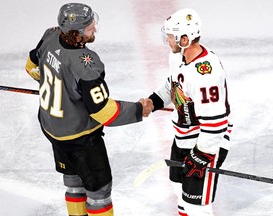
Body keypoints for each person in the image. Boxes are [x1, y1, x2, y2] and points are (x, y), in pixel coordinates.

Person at [25, 3, 153, 216]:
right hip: (80, 138)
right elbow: (104, 112)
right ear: (75, 32)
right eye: (89, 26)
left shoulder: (50, 35)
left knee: (74, 182)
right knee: (99, 192)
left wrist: (55, 82)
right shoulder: (85, 64)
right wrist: (140, 109)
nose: (94, 29)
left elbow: (31, 67)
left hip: (52, 129)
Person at [147, 8, 233, 216]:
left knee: (197, 207)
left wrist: (201, 156)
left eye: (170, 36)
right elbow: (173, 83)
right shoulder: (178, 57)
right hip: (183, 137)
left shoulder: (205, 73)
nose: (167, 40)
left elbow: (216, 124)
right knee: (179, 190)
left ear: (184, 39)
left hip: (206, 143)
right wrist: (153, 101)